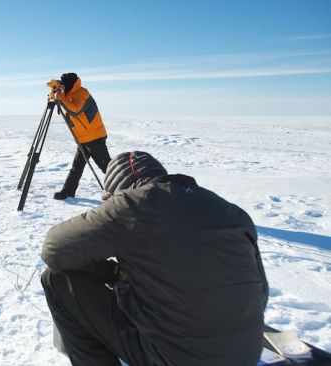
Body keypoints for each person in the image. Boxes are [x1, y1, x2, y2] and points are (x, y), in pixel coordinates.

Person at [40, 151, 268, 366]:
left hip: (178, 359)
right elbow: (261, 293)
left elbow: (53, 249)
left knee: (56, 279)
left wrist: (106, 271)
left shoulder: (133, 205)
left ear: (117, 192)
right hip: (246, 354)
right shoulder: (231, 211)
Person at [53, 72, 111, 200]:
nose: (61, 86)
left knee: (107, 167)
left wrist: (61, 96)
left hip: (94, 137)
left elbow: (75, 110)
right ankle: (68, 192)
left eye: (62, 84)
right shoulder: (69, 95)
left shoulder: (82, 93)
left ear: (69, 84)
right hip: (84, 138)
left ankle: (124, 191)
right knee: (76, 167)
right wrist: (60, 97)